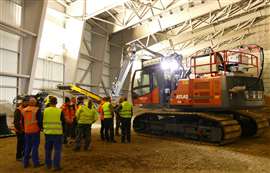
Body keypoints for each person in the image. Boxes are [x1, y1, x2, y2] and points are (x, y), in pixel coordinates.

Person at [43, 96, 65, 171]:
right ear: (56, 103)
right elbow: (63, 122)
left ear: (49, 102)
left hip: (47, 133)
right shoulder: (60, 111)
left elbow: (41, 121)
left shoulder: (45, 111)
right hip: (57, 133)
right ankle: (56, 166)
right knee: (57, 150)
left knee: (48, 150)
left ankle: (48, 165)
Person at [22, 96, 43, 168]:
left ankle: (25, 163)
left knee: (27, 147)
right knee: (35, 147)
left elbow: (22, 121)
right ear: (34, 103)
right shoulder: (37, 109)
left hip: (27, 131)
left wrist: (24, 129)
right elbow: (40, 121)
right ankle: (36, 163)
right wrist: (41, 128)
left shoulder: (24, 110)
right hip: (35, 131)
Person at [13, 97, 28, 161]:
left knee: (24, 143)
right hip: (20, 130)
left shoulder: (25, 108)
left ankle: (24, 154)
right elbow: (16, 122)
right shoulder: (18, 110)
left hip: (25, 129)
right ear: (23, 102)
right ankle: (18, 156)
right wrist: (20, 130)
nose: (27, 103)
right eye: (26, 102)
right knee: (20, 144)